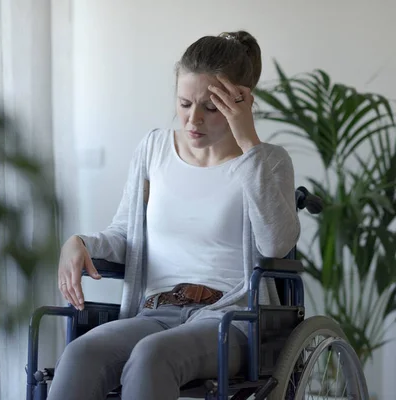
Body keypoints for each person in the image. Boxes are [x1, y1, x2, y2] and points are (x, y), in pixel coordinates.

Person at [48, 30, 300, 400]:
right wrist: (80, 242)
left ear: (242, 102)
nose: (193, 120)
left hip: (230, 321)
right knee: (82, 353)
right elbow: (125, 233)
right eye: (184, 104)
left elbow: (276, 243)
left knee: (152, 357)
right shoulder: (154, 150)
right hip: (155, 311)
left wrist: (249, 146)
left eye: (211, 107)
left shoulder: (269, 161)